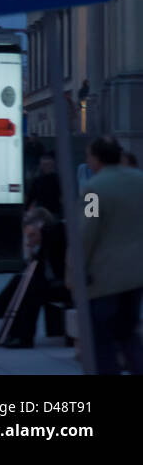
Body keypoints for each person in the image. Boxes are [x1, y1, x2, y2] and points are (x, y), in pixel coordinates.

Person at [81, 136, 143, 374]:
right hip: (136, 272)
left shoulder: (94, 189)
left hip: (104, 275)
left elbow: (87, 231)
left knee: (102, 338)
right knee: (128, 333)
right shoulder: (140, 181)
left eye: (88, 156)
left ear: (96, 158)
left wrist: (76, 269)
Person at [0, 207, 68, 348]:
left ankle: (21, 335)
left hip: (65, 284)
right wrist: (31, 249)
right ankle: (7, 328)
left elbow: (41, 266)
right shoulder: (46, 238)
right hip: (55, 281)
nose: (30, 239)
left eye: (32, 235)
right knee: (21, 280)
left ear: (42, 227)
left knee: (31, 291)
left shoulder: (54, 234)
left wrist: (34, 247)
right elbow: (33, 268)